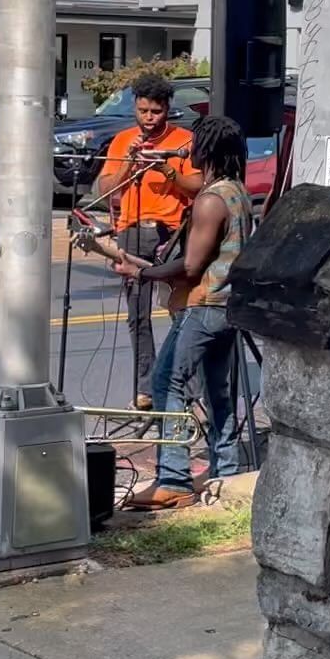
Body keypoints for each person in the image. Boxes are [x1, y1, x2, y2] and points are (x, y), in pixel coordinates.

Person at [114, 115, 253, 510]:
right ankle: (226, 472)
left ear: (206, 150)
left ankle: (173, 479)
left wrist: (143, 273)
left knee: (166, 382)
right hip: (228, 308)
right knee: (217, 392)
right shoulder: (238, 192)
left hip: (205, 305)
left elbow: (191, 267)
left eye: (195, 143)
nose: (188, 148)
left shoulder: (211, 200)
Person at [95, 73, 199, 408]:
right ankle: (146, 388)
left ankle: (188, 388)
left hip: (171, 232)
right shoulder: (123, 140)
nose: (149, 118)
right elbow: (104, 189)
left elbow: (198, 186)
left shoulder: (184, 141)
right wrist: (129, 163)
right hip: (132, 229)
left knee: (180, 309)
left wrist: (168, 170)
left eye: (156, 111)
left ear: (167, 109)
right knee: (137, 316)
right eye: (143, 111)